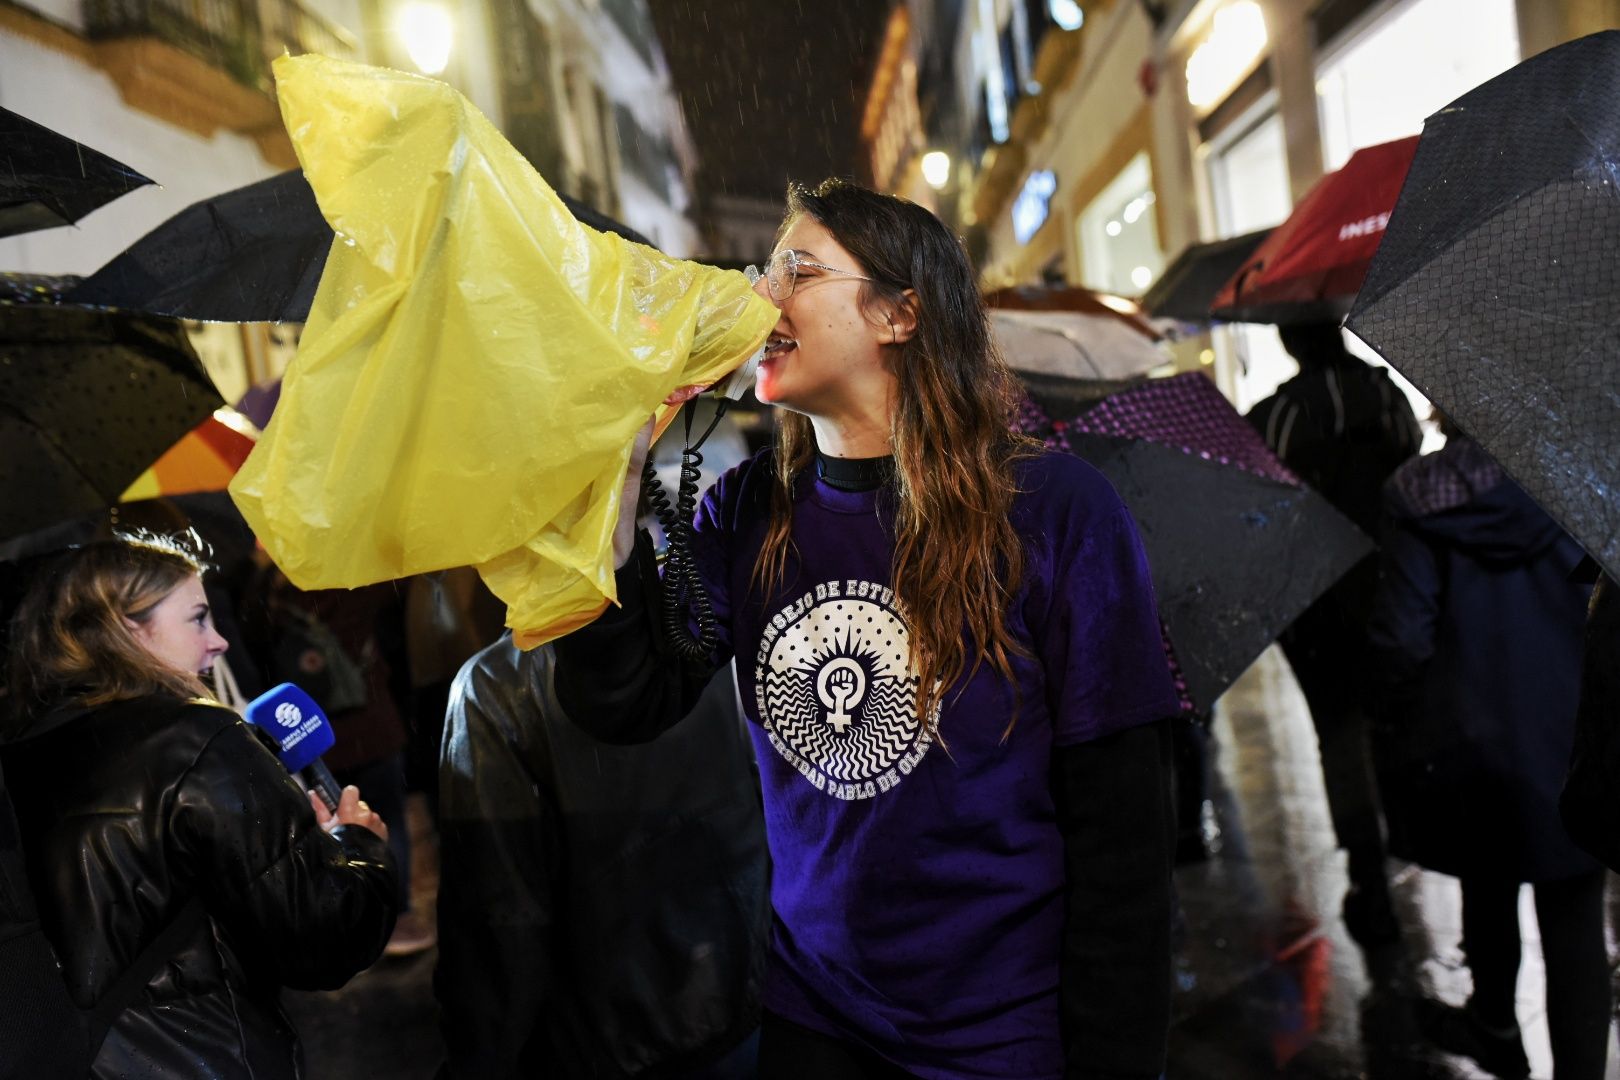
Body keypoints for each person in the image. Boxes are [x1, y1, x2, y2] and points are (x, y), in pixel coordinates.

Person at [552, 179, 1180, 1079]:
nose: (760, 294)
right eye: (764, 271)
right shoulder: (745, 510)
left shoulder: (1053, 510)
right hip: (814, 1018)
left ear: (898, 313)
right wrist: (614, 502)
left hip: (1002, 1035)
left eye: (798, 272)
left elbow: (1123, 829)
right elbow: (627, 701)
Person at [0, 533, 398, 1079]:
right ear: (125, 627)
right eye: (198, 618)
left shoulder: (19, 753)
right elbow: (321, 940)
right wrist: (359, 845)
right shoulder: (199, 738)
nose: (220, 642)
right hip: (198, 1057)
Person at [1367, 432, 1610, 1080]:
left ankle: (1496, 1026)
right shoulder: (1585, 479)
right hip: (1573, 737)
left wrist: (1393, 713)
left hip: (1468, 740)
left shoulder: (1417, 493)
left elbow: (1402, 638)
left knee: (1487, 881)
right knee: (1575, 920)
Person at [435, 640, 768, 1078]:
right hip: (747, 1000)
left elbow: (498, 927)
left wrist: (476, 1064)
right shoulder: (703, 631)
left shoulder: (492, 688)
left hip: (608, 1046)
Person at [1246, 320, 1421, 945]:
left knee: (1339, 734)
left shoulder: (1277, 415)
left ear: (1290, 342)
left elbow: (1265, 506)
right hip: (1394, 583)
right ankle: (1410, 837)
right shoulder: (1388, 396)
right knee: (1396, 721)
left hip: (1318, 600)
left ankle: (1367, 871)